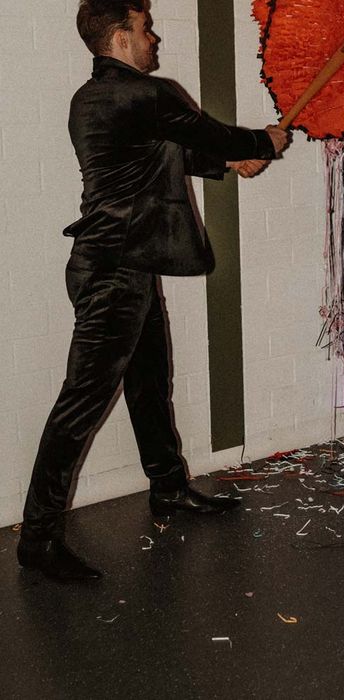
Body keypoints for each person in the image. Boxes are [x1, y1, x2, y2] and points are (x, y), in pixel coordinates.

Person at [17, 0, 290, 581]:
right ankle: (37, 539)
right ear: (119, 36)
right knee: (80, 405)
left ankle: (168, 489)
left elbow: (156, 153)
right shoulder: (148, 94)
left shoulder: (92, 99)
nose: (155, 38)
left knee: (147, 384)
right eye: (146, 29)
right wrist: (260, 142)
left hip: (120, 264)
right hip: (115, 271)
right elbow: (207, 133)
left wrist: (227, 163)